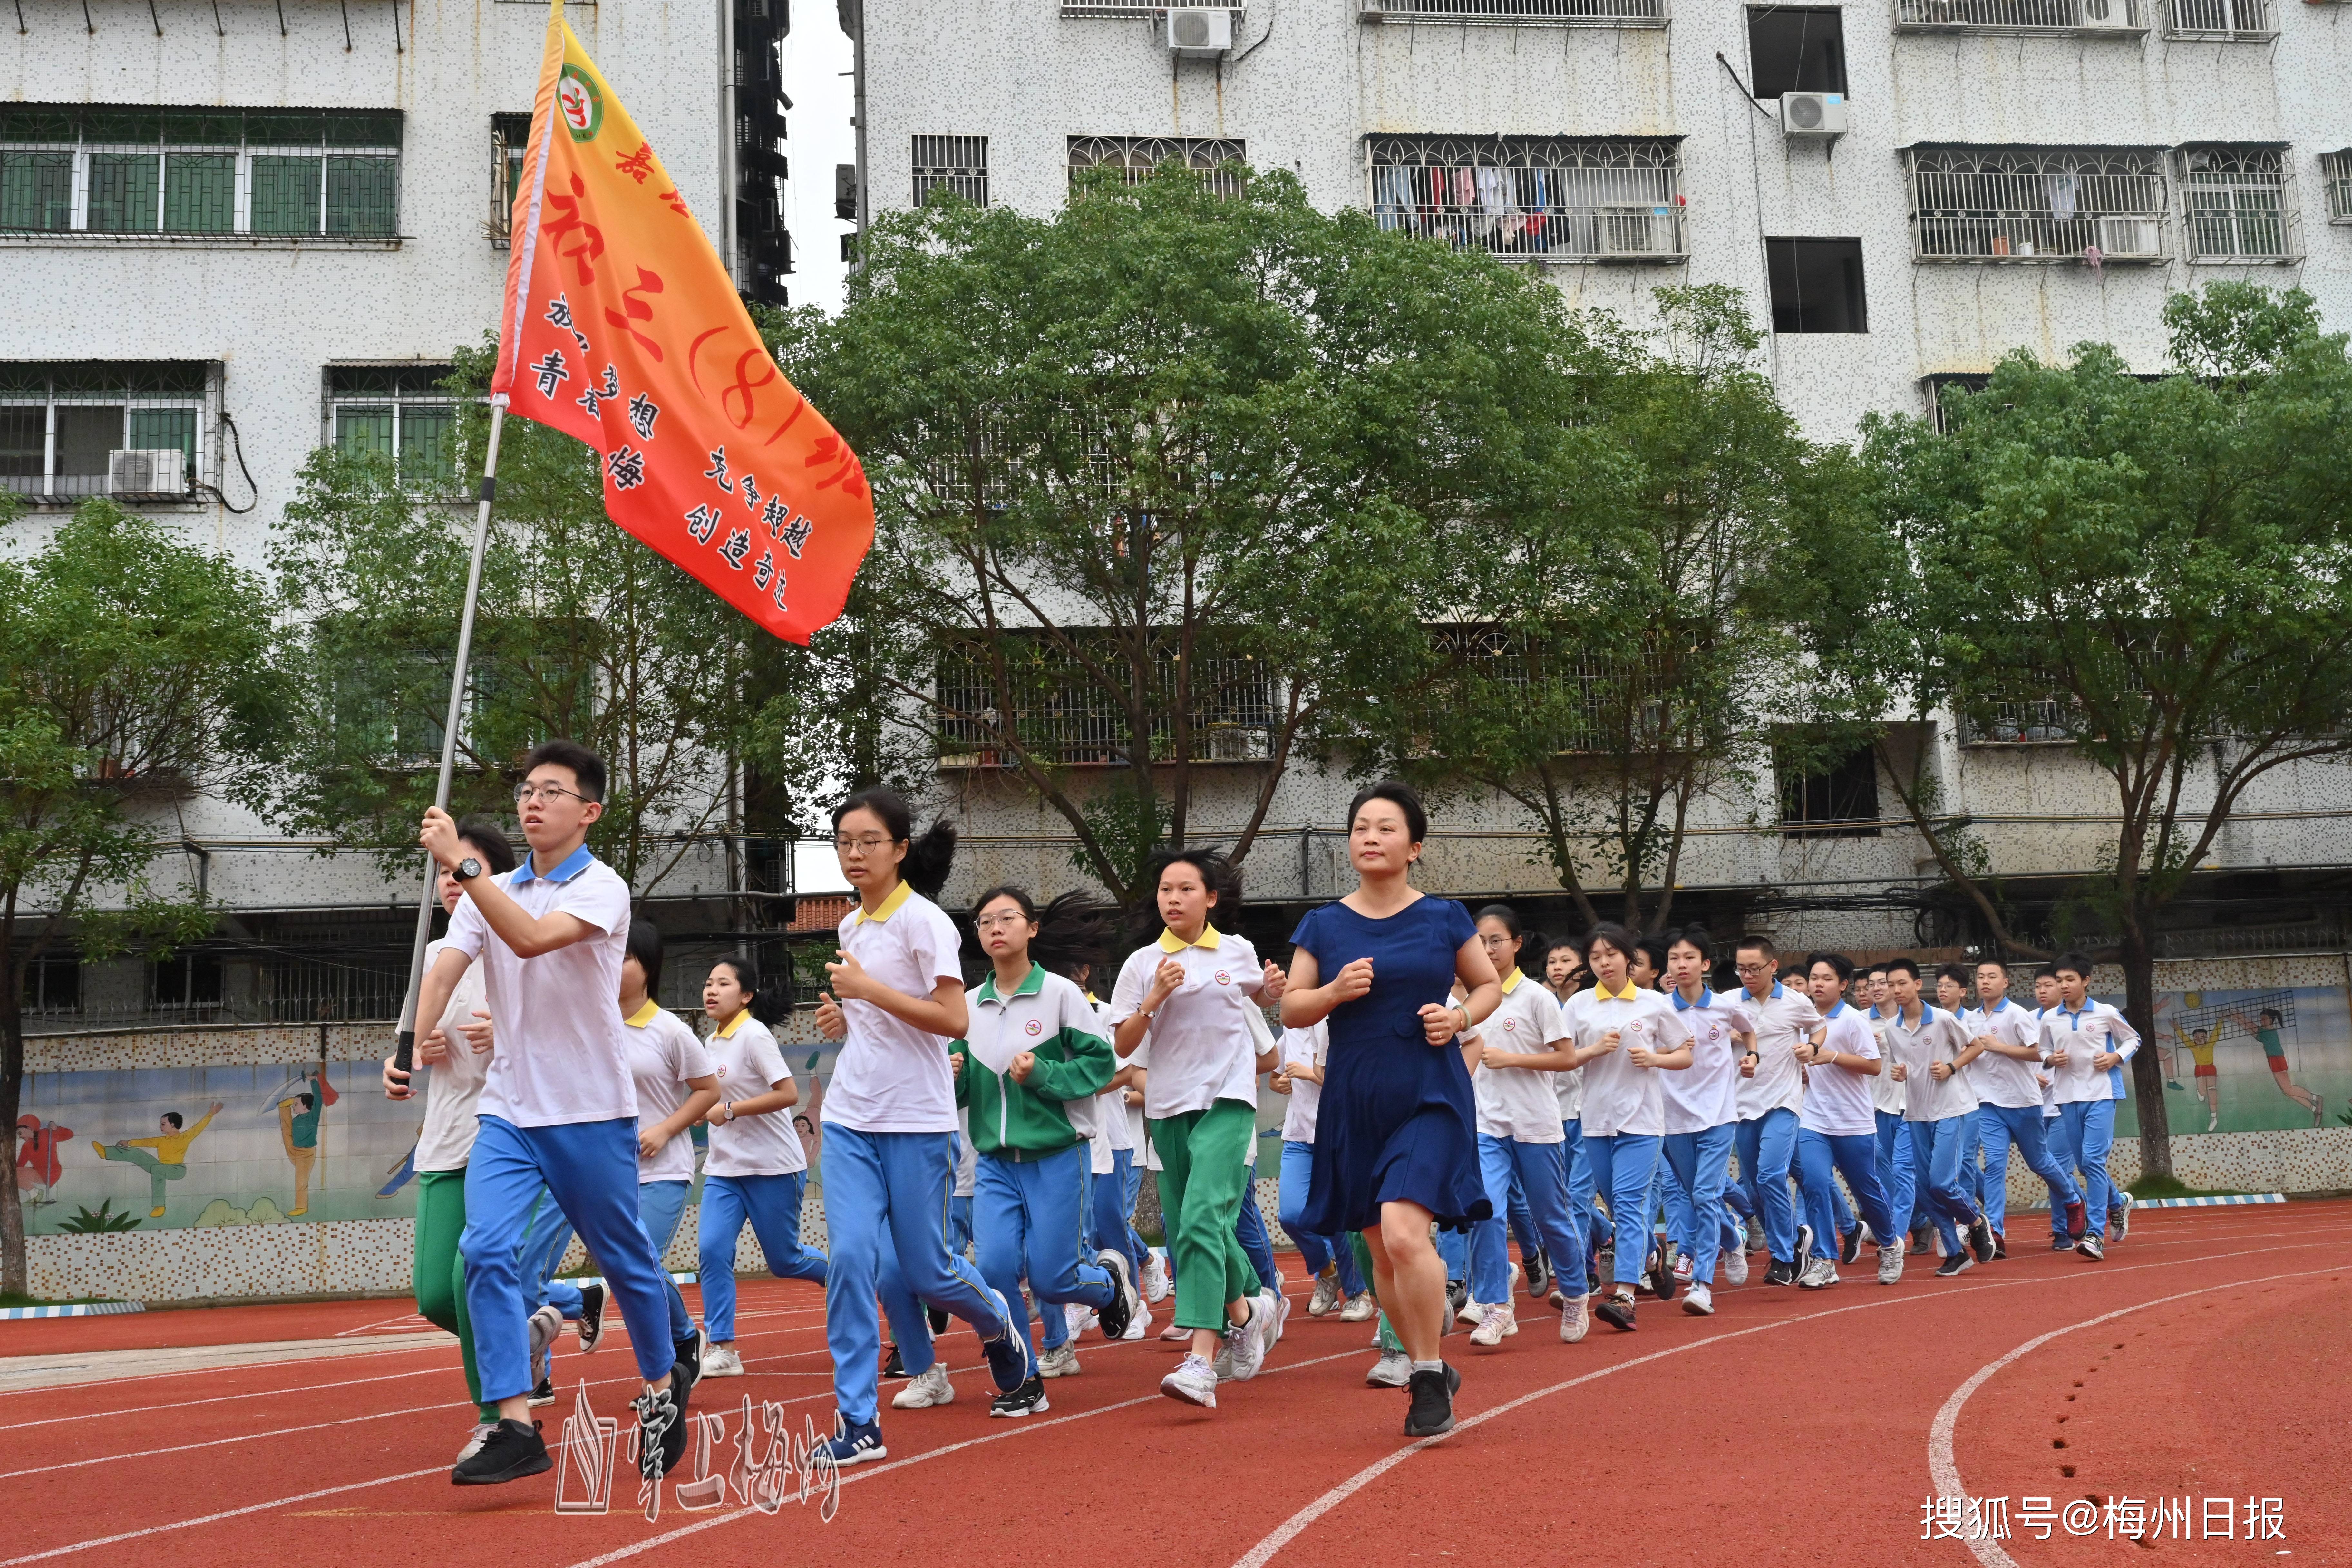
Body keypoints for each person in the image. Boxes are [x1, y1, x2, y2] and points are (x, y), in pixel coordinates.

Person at [414, 739, 695, 1487]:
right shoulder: (490, 890)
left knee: (626, 1260)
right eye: (525, 790)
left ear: (588, 811)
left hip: (591, 1110)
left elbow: (533, 940)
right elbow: (447, 964)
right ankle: (513, 1421)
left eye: (551, 791)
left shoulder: (602, 889)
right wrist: (412, 1038)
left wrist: (466, 866)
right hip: (509, 1111)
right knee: (485, 1253)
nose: (531, 801)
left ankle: (665, 1392)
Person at [811, 787, 1034, 1465]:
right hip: (851, 1115)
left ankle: (998, 1323)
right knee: (852, 1258)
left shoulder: (926, 921)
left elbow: (952, 1019)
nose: (854, 852)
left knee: (929, 1269)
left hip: (916, 1118)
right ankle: (859, 1420)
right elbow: (876, 1017)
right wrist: (845, 1020)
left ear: (900, 848)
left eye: (868, 840)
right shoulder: (852, 925)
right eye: (844, 840)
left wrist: (868, 993)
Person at [1281, 782, 1497, 1437]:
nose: (1370, 836)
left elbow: (1486, 985)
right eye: (1360, 827)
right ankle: (1424, 1355)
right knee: (1379, 1247)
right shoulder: (1323, 924)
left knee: (1405, 1231)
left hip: (1429, 1089)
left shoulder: (1444, 916)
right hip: (1354, 1096)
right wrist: (1332, 991)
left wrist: (1457, 1014)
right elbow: (1291, 1007)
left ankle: (1426, 1370)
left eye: (1386, 827)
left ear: (1415, 846)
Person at [1111, 847, 1287, 1413]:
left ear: (1210, 898)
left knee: (1202, 1220)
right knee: (1192, 1227)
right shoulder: (1141, 963)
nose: (1173, 899)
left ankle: (1200, 1360)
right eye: (1165, 890)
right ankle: (1247, 1311)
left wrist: (1270, 989)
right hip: (1167, 1106)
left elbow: (1257, 998)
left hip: (1228, 1100)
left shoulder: (1235, 951)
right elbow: (1121, 1044)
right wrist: (1155, 997)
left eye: (1186, 889)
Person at [949, 887, 1135, 1416]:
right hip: (994, 1164)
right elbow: (958, 1095)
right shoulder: (967, 1007)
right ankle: (1023, 1378)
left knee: (1055, 1277)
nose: (995, 928)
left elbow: (1102, 1067)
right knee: (995, 1269)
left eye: (1006, 918)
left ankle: (1108, 1284)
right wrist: (952, 1076)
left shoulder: (1059, 995)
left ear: (1031, 929)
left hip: (1057, 1155)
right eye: (984, 921)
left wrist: (1043, 1074)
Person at [384, 813, 514, 1461]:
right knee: (437, 1293)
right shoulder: (432, 956)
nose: (452, 882)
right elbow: (406, 1046)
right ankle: (533, 1331)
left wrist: (512, 1035)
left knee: (473, 1281)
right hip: (444, 1138)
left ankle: (498, 1416)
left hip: (511, 1137)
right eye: (442, 871)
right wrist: (408, 1058)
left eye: (465, 868)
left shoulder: (525, 945)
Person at [1461, 905, 1591, 1343]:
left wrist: (1512, 1058)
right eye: (1479, 941)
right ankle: (1497, 1307)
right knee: (1486, 1214)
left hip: (1535, 1126)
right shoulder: (1469, 1002)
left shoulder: (1536, 997)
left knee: (1551, 1217)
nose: (1487, 948)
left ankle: (1574, 1294)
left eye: (1495, 940)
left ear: (1516, 944)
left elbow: (1567, 1057)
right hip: (1486, 1126)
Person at [1558, 923, 1694, 1335]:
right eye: (1595, 956)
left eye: (1611, 954)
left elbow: (1685, 1053)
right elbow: (1562, 1058)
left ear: (1628, 958)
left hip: (1642, 1120)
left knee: (1631, 1204)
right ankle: (1651, 1256)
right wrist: (1591, 1051)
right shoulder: (1578, 1006)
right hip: (1596, 1121)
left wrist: (1655, 1059)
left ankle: (1625, 1296)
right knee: (1619, 1208)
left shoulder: (1654, 1003)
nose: (1603, 962)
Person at [691, 956, 824, 1376]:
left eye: (723, 984)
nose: (711, 990)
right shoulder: (711, 1043)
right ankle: (724, 1348)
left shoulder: (754, 1036)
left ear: (746, 995)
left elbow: (787, 1094)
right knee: (712, 1251)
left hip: (773, 1168)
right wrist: (705, 1109)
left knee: (784, 1261)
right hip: (725, 1170)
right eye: (709, 983)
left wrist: (728, 1109)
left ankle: (847, 1276)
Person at [1790, 953, 1905, 1288]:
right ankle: (1825, 1259)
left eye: (1826, 978)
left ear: (1842, 985)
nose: (1817, 984)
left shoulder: (1853, 1020)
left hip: (1854, 1122)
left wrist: (1832, 1057)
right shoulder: (1802, 1020)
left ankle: (1889, 1243)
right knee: (1813, 1182)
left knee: (1866, 1191)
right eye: (1814, 977)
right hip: (1813, 1120)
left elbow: (1872, 1065)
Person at [1657, 928, 1752, 1314]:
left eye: (1689, 957)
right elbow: (1646, 1045)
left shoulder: (1725, 1007)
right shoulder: (1659, 1009)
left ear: (1705, 964)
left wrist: (1752, 1056)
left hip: (1717, 1115)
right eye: (1675, 958)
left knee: (1704, 1196)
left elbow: (1748, 1029)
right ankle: (1733, 1238)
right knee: (1698, 1196)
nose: (1681, 964)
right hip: (1673, 1117)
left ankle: (1701, 1286)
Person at [1882, 958, 1997, 1278]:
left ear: (1917, 985)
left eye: (1901, 983)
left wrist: (1950, 1067)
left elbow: (1975, 1047)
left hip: (1952, 1108)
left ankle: (1975, 1221)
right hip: (1916, 1112)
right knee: (1923, 1187)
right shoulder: (1891, 1028)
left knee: (1941, 1181)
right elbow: (1901, 1065)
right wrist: (1898, 1072)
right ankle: (1956, 1251)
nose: (1896, 990)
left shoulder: (1943, 1019)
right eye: (1891, 985)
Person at [1965, 959, 2085, 1255]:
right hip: (1988, 1104)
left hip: (2023, 1102)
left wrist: (1999, 1047)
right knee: (1994, 1166)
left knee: (2040, 1163)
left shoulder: (2017, 1014)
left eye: (1992, 976)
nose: (1985, 981)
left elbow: (2037, 1052)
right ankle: (1995, 1232)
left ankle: (2072, 1199)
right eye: (1981, 976)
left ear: (2005, 982)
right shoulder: (1970, 1018)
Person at [1728, 935, 1822, 1287]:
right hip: (1742, 1105)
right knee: (1753, 1187)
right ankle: (1794, 1238)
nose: (1747, 975)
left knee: (1770, 1175)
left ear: (1772, 967)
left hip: (1783, 1101)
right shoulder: (1728, 1002)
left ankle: (1783, 1256)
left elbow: (1819, 1027)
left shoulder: (1795, 1001)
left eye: (1754, 968)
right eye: (1741, 969)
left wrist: (1810, 1047)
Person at [1271, 1017, 1375, 1322]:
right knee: (1290, 1215)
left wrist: (1310, 1074)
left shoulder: (1337, 1026)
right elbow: (1276, 1078)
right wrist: (1282, 1083)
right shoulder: (1290, 1032)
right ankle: (1328, 1272)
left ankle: (1359, 1294)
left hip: (1337, 1134)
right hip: (1299, 1135)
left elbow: (1352, 1081)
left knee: (1339, 1220)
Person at [2042, 953, 2140, 1262]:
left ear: (2085, 981)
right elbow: (2042, 1048)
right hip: (2067, 1097)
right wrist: (2049, 1059)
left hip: (2102, 1093)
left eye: (2070, 979)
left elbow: (2133, 1039)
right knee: (2084, 1165)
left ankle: (2095, 1234)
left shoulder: (2105, 1012)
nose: (2064, 985)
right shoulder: (2049, 1018)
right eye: (2060, 980)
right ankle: (2118, 1201)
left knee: (2094, 1162)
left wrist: (2115, 1058)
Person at [95, 1102, 221, 1220]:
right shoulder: (162, 1141)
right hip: (162, 1167)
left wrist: (211, 1114)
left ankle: (159, 1206)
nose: (160, 1127)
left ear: (172, 1125)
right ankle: (105, 1153)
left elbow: (198, 1128)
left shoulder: (185, 1138)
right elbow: (147, 1142)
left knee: (157, 1169)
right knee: (137, 1153)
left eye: (163, 1124)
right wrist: (129, 1143)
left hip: (177, 1170)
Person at [2231, 1007, 2323, 1125]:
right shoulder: (2264, 1032)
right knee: (2288, 1093)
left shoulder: (2268, 1032)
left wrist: (2238, 1016)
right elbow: (2249, 1028)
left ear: (2271, 1020)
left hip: (2277, 1061)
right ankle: (2315, 1110)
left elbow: (2249, 1025)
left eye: (2264, 1019)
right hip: (2274, 1061)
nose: (2262, 1022)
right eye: (2261, 1020)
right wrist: (2236, 1019)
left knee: (2288, 1089)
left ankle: (2317, 1099)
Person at [278, 1072, 326, 1218]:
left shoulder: (313, 1116)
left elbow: (318, 1099)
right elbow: (287, 1128)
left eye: (296, 1104)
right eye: (293, 1105)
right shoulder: (297, 1119)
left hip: (306, 1154)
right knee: (287, 1129)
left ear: (306, 1106)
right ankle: (282, 1108)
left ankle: (302, 1207)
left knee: (301, 1180)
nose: (294, 1107)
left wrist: (313, 1081)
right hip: (293, 1148)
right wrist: (288, 1104)